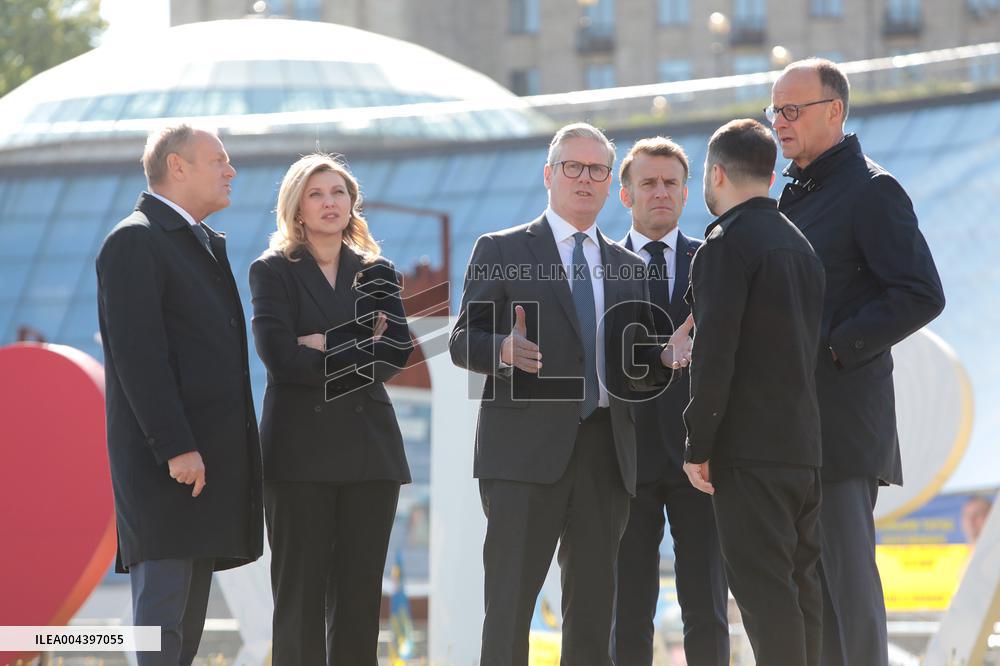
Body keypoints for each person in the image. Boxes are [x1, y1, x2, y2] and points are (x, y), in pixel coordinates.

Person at [449, 122, 693, 666]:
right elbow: (464, 341)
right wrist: (503, 350)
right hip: (523, 458)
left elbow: (631, 360)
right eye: (572, 167)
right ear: (549, 174)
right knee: (509, 607)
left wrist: (662, 357)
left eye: (597, 170)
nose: (585, 178)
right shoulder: (502, 249)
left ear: (612, 184)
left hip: (606, 455)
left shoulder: (629, 267)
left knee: (592, 617)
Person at [769, 58, 946, 666]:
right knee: (807, 593)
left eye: (793, 111)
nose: (780, 123)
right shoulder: (792, 192)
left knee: (847, 587)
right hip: (790, 427)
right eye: (775, 112)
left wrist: (834, 346)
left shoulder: (872, 189)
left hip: (841, 423)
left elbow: (922, 293)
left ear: (834, 111)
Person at [96, 124, 263, 666]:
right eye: (218, 159)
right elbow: (138, 357)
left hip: (198, 474)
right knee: (162, 632)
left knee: (182, 637)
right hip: (169, 473)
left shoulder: (197, 243)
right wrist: (174, 447)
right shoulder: (135, 239)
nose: (230, 170)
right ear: (177, 166)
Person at [248, 153, 413, 665]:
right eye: (317, 194)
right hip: (299, 457)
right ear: (296, 206)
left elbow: (396, 354)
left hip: (370, 457)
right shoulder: (272, 270)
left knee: (360, 600)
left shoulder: (376, 271)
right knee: (298, 598)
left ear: (352, 202)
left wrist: (323, 343)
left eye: (338, 192)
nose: (329, 203)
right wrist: (360, 342)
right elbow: (280, 355)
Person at [682, 118, 826, 666]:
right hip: (803, 450)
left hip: (749, 453)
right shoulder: (801, 245)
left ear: (716, 173)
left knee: (765, 599)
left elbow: (715, 355)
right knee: (802, 592)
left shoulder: (724, 245)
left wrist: (699, 445)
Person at [613, 137, 729, 666]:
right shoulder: (600, 266)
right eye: (648, 183)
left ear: (686, 194)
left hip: (700, 458)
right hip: (624, 460)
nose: (660, 192)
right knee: (627, 610)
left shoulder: (717, 260)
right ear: (626, 194)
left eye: (671, 184)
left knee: (706, 607)